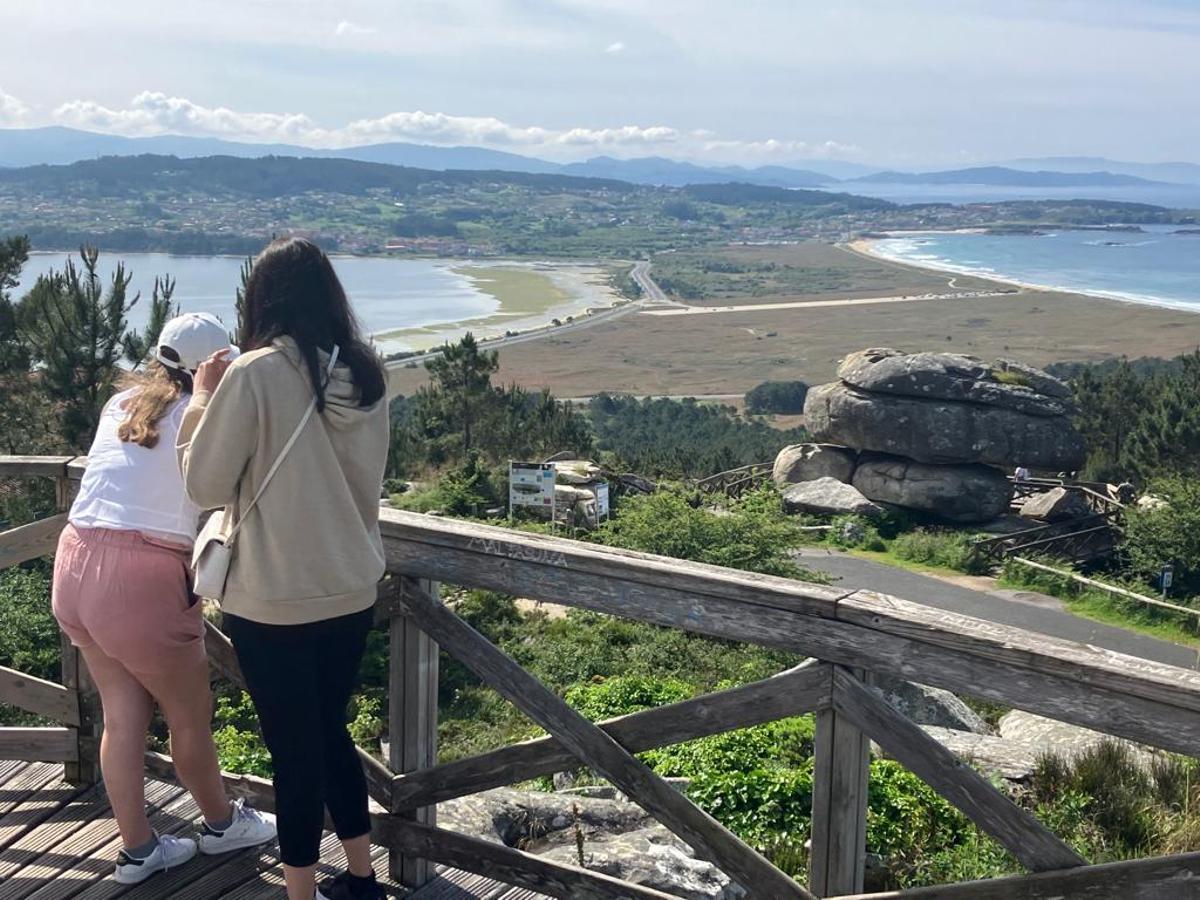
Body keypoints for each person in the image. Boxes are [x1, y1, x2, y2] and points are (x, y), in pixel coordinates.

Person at [177, 238, 390, 900]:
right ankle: (362, 879)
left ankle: (300, 894)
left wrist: (201, 399)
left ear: (261, 300)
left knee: (294, 754)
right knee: (328, 735)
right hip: (351, 587)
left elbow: (203, 483)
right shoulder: (365, 372)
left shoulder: (256, 374)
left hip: (274, 598)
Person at [51, 313, 278, 885]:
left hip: (75, 559)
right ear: (214, 365)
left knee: (121, 715)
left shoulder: (120, 405)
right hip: (143, 575)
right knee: (189, 717)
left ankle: (137, 851)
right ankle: (224, 825)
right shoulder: (201, 418)